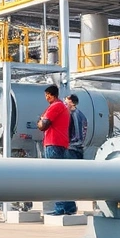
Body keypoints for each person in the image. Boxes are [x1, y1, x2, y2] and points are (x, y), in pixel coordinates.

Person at [36, 84, 75, 216]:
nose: (46, 97)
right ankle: (69, 207)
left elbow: (43, 126)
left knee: (54, 176)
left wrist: (39, 121)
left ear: (51, 94)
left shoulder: (55, 106)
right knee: (62, 176)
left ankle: (60, 208)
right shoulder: (62, 107)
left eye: (47, 95)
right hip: (61, 143)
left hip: (53, 143)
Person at [66, 94, 87, 160]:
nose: (65, 103)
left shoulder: (73, 115)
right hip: (79, 147)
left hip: (73, 147)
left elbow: (76, 132)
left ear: (71, 103)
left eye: (66, 102)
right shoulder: (81, 115)